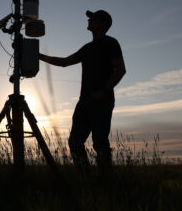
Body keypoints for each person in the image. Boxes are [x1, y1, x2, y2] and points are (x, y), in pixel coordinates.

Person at [39, 9, 126, 171]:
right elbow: (64, 62)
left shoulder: (111, 43)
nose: (88, 20)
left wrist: (104, 91)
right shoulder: (87, 48)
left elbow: (120, 70)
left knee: (100, 143)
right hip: (84, 101)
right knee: (75, 142)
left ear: (102, 23)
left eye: (92, 18)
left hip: (102, 101)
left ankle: (105, 183)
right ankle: (84, 178)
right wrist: (38, 56)